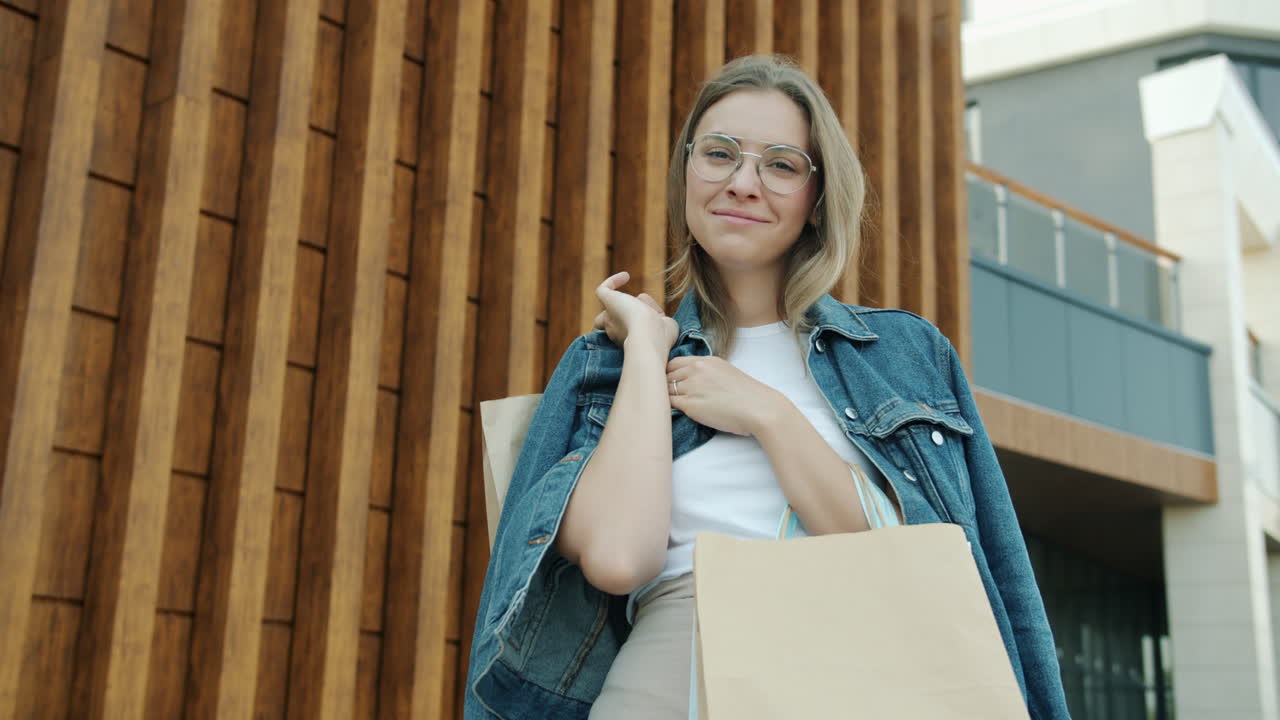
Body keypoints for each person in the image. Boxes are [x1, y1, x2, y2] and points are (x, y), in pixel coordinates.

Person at [465, 54, 1070, 720]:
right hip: (672, 680)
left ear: (816, 200)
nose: (743, 183)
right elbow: (617, 558)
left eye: (780, 164)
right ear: (686, 174)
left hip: (869, 675)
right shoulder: (606, 367)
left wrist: (768, 415)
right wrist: (645, 347)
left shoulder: (902, 355)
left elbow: (930, 562)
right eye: (719, 154)